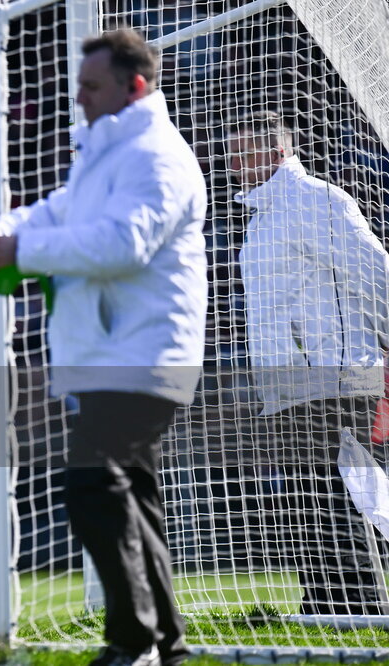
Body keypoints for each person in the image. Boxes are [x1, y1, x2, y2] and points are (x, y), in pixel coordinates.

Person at [0, 29, 206, 666]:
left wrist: (24, 251)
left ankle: (133, 641)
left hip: (143, 350)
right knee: (131, 494)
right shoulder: (107, 152)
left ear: (135, 86)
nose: (81, 100)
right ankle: (165, 644)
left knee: (94, 484)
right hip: (113, 351)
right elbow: (55, 213)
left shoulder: (156, 155)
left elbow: (126, 244)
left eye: (91, 88)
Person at [228, 110, 389, 615]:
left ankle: (358, 604)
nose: (233, 163)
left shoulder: (315, 199)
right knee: (307, 494)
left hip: (337, 372)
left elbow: (374, 272)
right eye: (230, 152)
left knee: (345, 490)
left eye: (244, 151)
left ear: (278, 150)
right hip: (289, 382)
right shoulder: (261, 216)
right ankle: (322, 599)